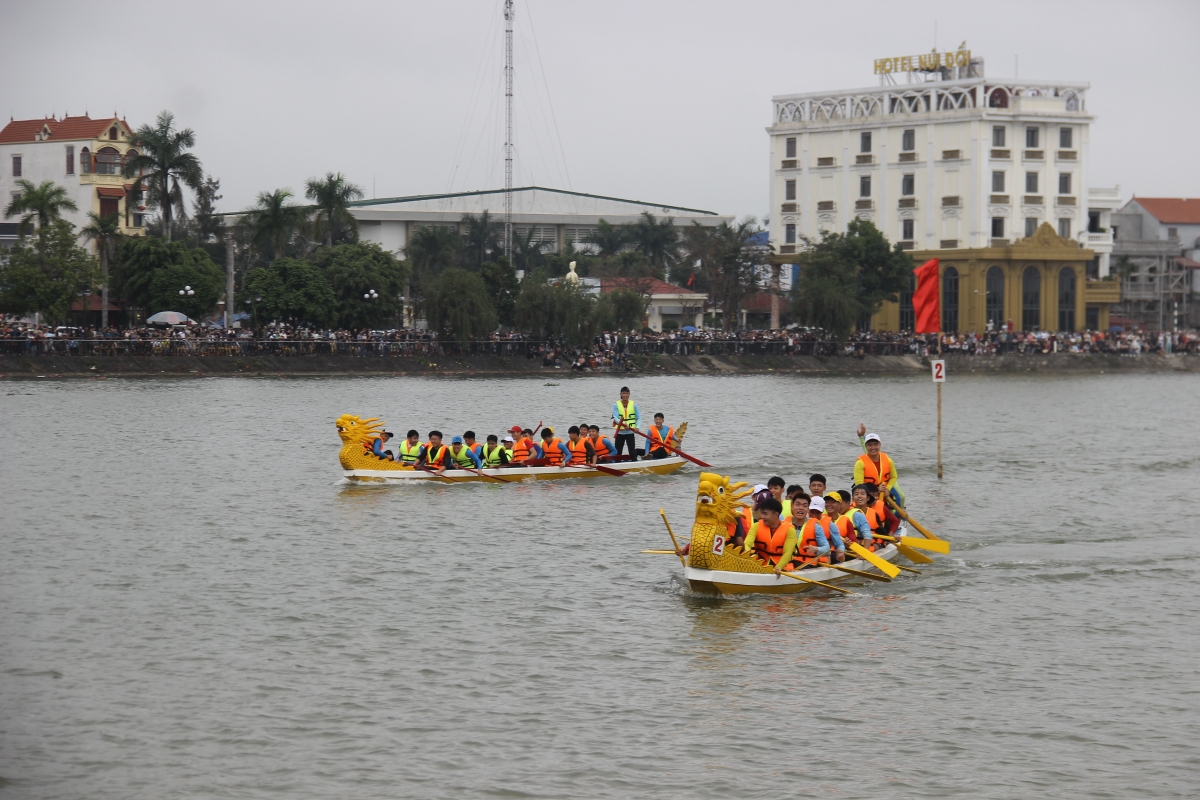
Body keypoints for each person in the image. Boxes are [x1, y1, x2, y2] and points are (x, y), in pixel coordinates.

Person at [855, 425, 904, 507]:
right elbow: (859, 486)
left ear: (880, 445)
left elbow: (894, 477)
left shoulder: (888, 460)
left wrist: (887, 489)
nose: (873, 447)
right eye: (870, 445)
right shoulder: (860, 463)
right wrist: (877, 490)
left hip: (885, 489)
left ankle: (897, 512)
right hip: (869, 494)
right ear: (866, 446)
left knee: (901, 497)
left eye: (876, 444)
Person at [742, 498, 796, 571]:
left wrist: (779, 567)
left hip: (782, 567)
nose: (762, 516)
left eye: (765, 514)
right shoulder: (756, 526)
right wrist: (749, 558)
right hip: (760, 564)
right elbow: (747, 544)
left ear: (776, 514)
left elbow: (788, 552)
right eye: (762, 513)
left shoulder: (790, 530)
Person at [611, 386, 640, 460]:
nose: (625, 395)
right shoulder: (616, 405)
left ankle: (635, 463)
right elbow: (616, 418)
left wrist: (637, 427)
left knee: (632, 453)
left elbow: (638, 418)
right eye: (623, 393)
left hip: (630, 432)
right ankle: (618, 464)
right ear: (620, 394)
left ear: (629, 394)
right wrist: (624, 424)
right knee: (618, 453)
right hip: (620, 432)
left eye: (627, 393)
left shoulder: (634, 405)